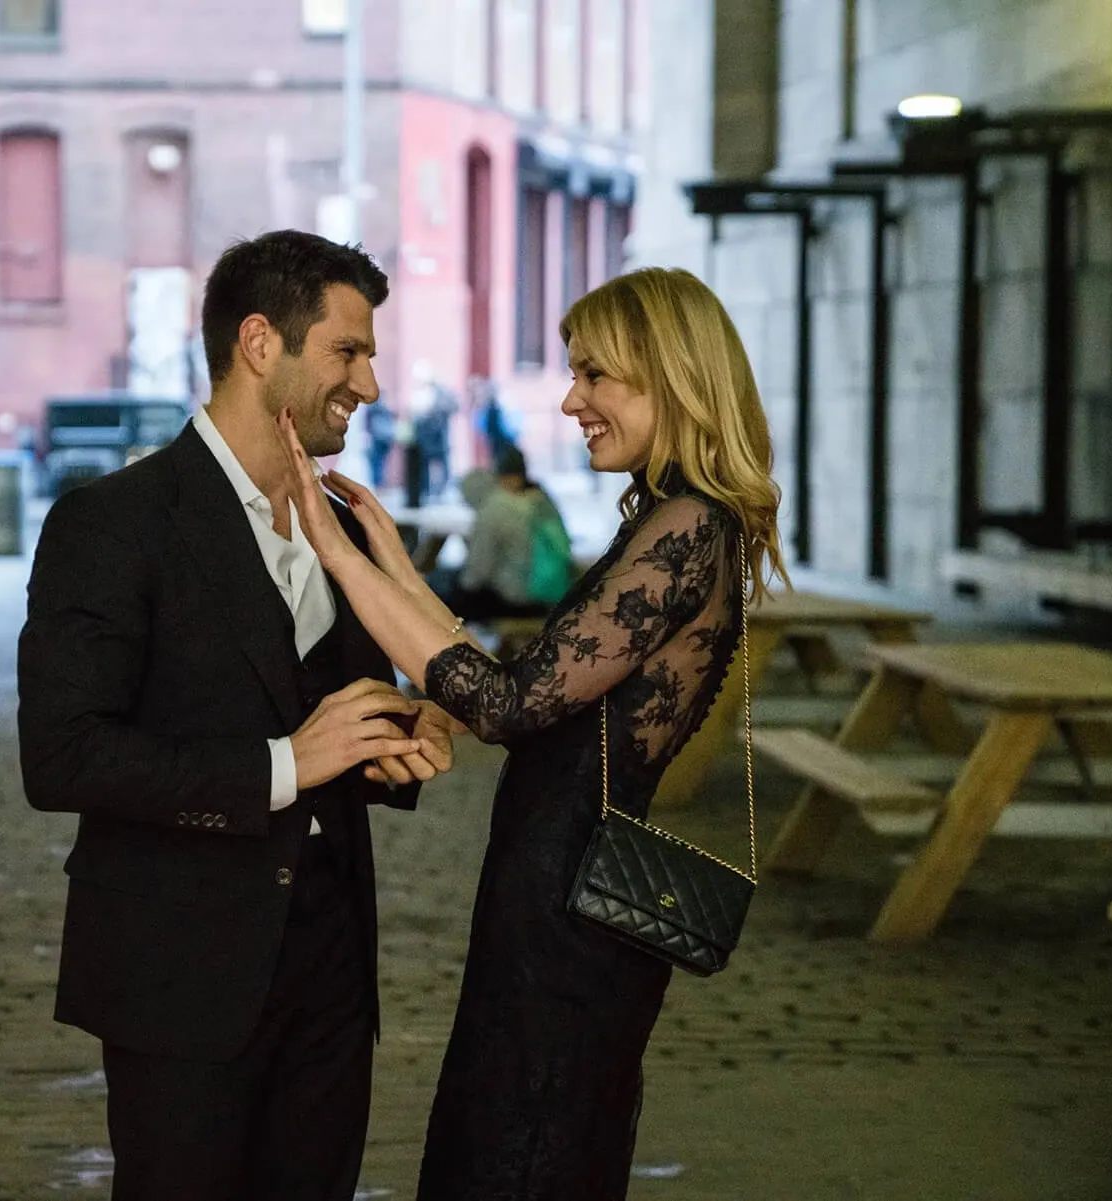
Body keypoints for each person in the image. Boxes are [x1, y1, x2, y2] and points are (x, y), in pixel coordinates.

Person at [278, 266, 788, 1199]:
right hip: (556, 894)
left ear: (669, 375)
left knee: (525, 1159)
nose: (570, 400)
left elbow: (509, 709)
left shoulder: (685, 527)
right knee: (524, 1149)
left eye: (596, 375)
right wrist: (395, 562)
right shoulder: (680, 521)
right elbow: (528, 686)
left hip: (570, 906)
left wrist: (341, 558)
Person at [17, 229, 459, 1201]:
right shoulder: (113, 523)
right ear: (261, 342)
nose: (371, 384)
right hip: (181, 979)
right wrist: (284, 766)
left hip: (334, 977)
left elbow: (340, 715)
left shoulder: (343, 524)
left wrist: (394, 741)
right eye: (349, 352)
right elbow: (63, 755)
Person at [432, 446, 572, 621]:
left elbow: (478, 572)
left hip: (516, 600)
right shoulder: (541, 499)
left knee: (439, 599)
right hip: (552, 594)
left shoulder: (494, 509)